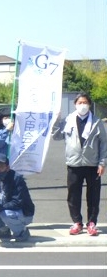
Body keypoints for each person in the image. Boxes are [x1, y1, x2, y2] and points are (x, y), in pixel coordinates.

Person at [52, 92, 107, 236]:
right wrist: (56, 121)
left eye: (85, 102)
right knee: (73, 195)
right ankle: (77, 222)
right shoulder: (68, 120)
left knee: (93, 195)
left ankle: (92, 223)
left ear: (89, 104)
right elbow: (56, 136)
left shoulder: (96, 122)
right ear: (75, 104)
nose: (82, 105)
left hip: (92, 164)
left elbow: (103, 144)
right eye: (80, 103)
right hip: (74, 164)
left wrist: (102, 163)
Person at [0, 153, 35, 242]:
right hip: (2, 208)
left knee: (6, 213)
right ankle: (2, 230)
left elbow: (17, 202)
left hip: (21, 212)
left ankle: (21, 232)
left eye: (0, 167)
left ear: (7, 168)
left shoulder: (16, 179)